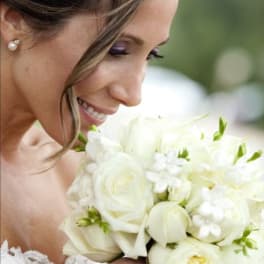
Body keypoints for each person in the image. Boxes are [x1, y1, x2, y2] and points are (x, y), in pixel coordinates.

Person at [0, 0, 179, 263]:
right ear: (15, 21)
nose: (133, 96)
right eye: (117, 49)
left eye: (151, 54)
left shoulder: (87, 182)